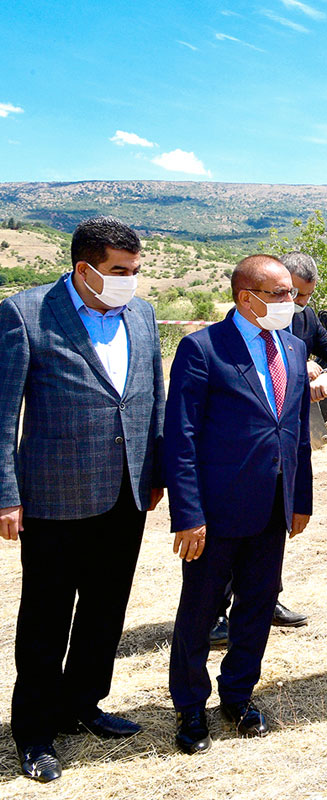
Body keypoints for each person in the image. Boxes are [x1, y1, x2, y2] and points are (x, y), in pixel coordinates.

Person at [0, 216, 164, 782]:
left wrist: (156, 468)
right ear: (83, 269)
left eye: (135, 272)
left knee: (104, 609)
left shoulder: (141, 315)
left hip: (127, 490)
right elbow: (2, 416)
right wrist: (5, 494)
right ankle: (35, 732)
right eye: (120, 272)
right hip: (53, 496)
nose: (130, 283)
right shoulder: (25, 314)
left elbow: (152, 396)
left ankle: (83, 704)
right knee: (46, 618)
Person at [165, 255, 313, 754]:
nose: (290, 303)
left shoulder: (292, 347)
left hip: (272, 507)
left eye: (292, 294)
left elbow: (293, 433)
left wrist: (301, 498)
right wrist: (187, 514)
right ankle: (189, 707)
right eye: (280, 295)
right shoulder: (203, 348)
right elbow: (181, 438)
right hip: (216, 512)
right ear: (247, 298)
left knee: (256, 606)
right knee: (200, 612)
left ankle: (238, 695)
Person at [207, 251, 327, 645]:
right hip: (233, 479)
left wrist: (325, 373)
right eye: (287, 294)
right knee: (219, 568)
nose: (295, 305)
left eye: (301, 297)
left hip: (281, 474)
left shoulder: (303, 326)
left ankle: (264, 603)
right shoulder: (212, 345)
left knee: (264, 566)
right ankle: (215, 616)